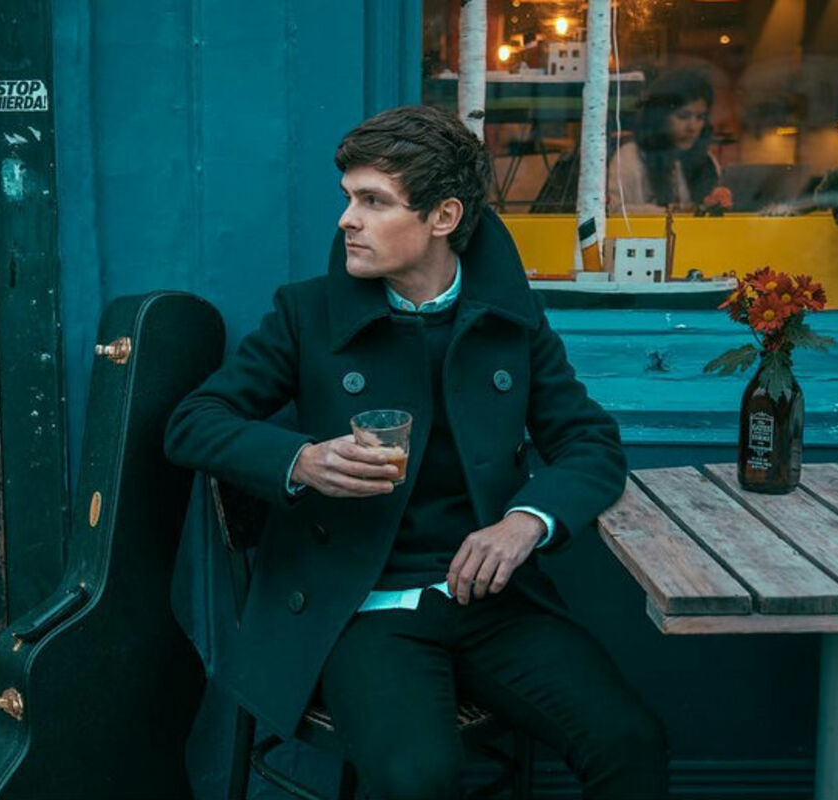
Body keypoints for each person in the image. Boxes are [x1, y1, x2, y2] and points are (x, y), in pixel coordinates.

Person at [165, 105, 667, 799]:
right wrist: (302, 460)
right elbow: (192, 422)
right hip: (361, 606)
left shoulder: (507, 320)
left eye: (374, 202)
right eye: (349, 198)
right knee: (416, 778)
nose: (347, 220)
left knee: (630, 742)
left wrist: (526, 522)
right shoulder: (307, 314)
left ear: (443, 217)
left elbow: (589, 440)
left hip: (491, 599)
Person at [608, 69, 724, 214]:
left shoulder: (706, 161)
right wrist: (666, 213)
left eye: (700, 117)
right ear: (660, 117)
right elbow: (612, 210)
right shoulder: (629, 158)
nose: (692, 127)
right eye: (683, 116)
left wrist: (716, 203)